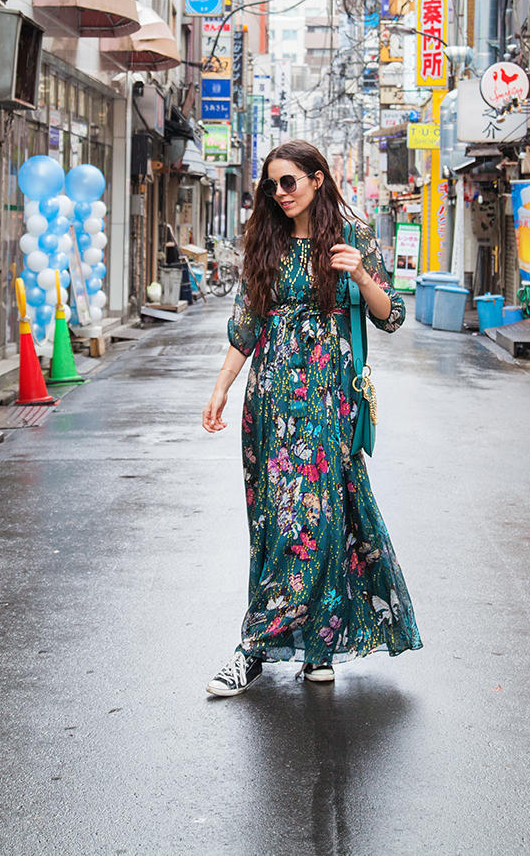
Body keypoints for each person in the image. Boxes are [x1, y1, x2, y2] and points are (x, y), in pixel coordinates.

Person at [202, 140, 422, 696]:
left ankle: (267, 648)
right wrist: (221, 388)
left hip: (327, 400)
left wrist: (362, 277)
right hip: (271, 403)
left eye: (290, 182)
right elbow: (247, 324)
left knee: (320, 521)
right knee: (275, 525)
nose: (280, 195)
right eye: (271, 186)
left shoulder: (353, 235)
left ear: (318, 179)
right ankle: (298, 644)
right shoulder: (266, 241)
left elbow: (391, 315)